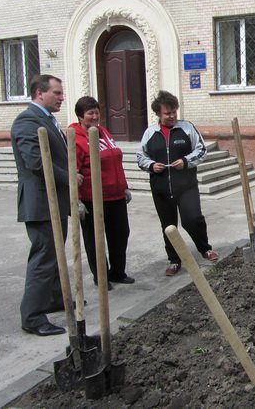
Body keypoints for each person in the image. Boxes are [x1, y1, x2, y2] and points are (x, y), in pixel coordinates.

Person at [11, 74, 75, 336]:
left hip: (54, 201)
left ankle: (55, 299)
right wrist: (69, 177)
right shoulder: (27, 121)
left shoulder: (47, 119)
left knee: (54, 254)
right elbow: (36, 161)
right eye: (57, 93)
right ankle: (33, 317)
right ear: (40, 93)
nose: (61, 98)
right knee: (44, 258)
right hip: (40, 202)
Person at [137, 90, 219, 276]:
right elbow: (141, 157)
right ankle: (174, 260)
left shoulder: (187, 128)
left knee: (193, 219)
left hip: (186, 187)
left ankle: (205, 248)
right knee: (168, 227)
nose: (172, 116)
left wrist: (186, 161)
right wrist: (151, 165)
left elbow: (201, 150)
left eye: (174, 111)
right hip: (161, 189)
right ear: (158, 113)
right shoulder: (150, 133)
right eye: (167, 113)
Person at [70, 96, 134, 288]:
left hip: (116, 195)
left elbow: (115, 160)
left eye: (97, 112)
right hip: (93, 198)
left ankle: (117, 272)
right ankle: (102, 277)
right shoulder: (75, 138)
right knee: (95, 239)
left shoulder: (103, 132)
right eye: (90, 113)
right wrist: (77, 199)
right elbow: (73, 171)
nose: (95, 116)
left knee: (121, 234)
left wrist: (124, 186)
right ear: (80, 116)